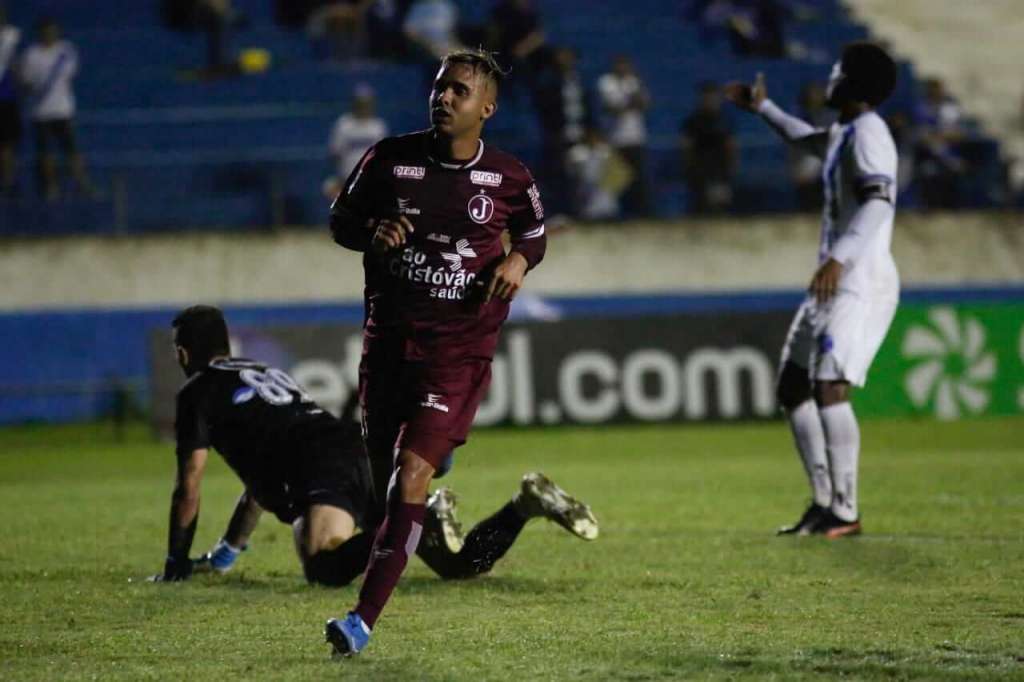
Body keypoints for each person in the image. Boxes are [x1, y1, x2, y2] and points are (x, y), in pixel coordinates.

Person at [326, 47, 553, 656]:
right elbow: (340, 220)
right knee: (384, 492)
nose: (443, 98)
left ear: (487, 106)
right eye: (439, 88)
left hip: (458, 349)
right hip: (388, 343)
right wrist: (370, 233)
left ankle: (361, 621)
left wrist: (516, 259)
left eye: (458, 91)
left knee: (410, 476)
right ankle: (430, 471)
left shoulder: (507, 177)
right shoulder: (388, 160)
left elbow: (534, 234)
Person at [158, 306, 597, 591]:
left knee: (324, 568)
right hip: (351, 446)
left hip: (320, 465)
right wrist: (228, 552)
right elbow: (259, 480)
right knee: (459, 565)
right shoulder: (258, 370)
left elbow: (189, 487)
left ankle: (422, 518)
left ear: (183, 354)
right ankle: (522, 506)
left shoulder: (198, 392)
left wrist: (176, 561)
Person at [724, 42, 900, 539]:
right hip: (834, 278)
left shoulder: (871, 134)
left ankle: (845, 510)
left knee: (829, 387)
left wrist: (839, 258)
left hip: (858, 279)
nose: (830, 77)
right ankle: (824, 504)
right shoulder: (847, 130)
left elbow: (878, 203)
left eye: (837, 71)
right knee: (793, 386)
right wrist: (764, 109)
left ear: (854, 82)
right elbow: (808, 140)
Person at [19, 18, 91, 200]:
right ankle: (51, 189)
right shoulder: (31, 54)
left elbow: (69, 73)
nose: (50, 35)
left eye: (53, 31)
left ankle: (82, 183)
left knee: (71, 150)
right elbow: (26, 81)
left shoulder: (65, 51)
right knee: (45, 152)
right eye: (46, 31)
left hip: (62, 110)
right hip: (41, 112)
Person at [597, 54, 650, 217]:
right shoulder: (606, 83)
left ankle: (640, 213)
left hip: (635, 137)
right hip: (616, 139)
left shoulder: (634, 82)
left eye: (626, 65)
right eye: (620, 65)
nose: (623, 69)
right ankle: (617, 213)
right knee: (617, 179)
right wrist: (631, 102)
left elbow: (645, 104)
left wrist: (632, 100)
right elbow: (613, 109)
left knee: (638, 179)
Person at [679, 81, 737, 214]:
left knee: (721, 205)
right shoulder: (693, 121)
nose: (710, 100)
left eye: (713, 96)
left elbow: (731, 144)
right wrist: (688, 165)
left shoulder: (724, 120)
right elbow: (686, 145)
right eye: (707, 97)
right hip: (700, 169)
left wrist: (732, 164)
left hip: (720, 169)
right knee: (701, 205)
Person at [324, 84, 388, 200]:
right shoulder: (343, 125)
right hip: (346, 180)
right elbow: (335, 153)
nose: (363, 107)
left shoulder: (378, 126)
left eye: (366, 103)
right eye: (360, 103)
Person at [0, 5, 21, 196]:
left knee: (7, 143)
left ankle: (7, 183)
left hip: (5, 97)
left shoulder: (11, 36)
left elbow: (16, 65)